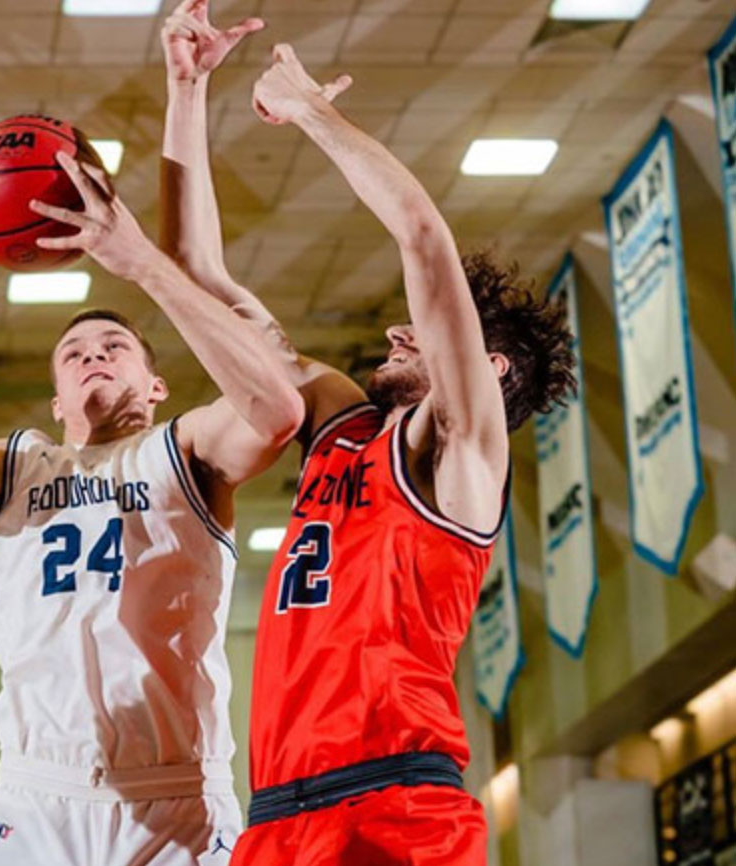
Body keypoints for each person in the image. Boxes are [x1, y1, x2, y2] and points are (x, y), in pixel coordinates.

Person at [158, 4, 576, 864]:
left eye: (419, 332)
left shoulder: (464, 456)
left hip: (397, 806)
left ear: (487, 368)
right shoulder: (341, 424)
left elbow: (423, 239)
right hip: (276, 815)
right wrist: (186, 90)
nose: (396, 332)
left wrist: (314, 111)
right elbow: (202, 280)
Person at [0, 138, 304, 865]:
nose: (93, 356)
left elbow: (278, 412)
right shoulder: (15, 467)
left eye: (114, 346)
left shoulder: (187, 447)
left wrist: (144, 265)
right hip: (36, 795)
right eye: (74, 354)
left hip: (175, 798)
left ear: (157, 386)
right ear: (56, 399)